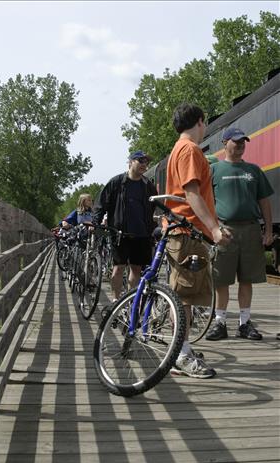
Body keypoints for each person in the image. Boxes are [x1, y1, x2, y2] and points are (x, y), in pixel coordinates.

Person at [164, 103, 232, 379]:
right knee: (183, 299)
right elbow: (193, 194)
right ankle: (180, 355)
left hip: (186, 231)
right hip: (187, 232)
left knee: (185, 297)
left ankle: (183, 347)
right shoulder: (190, 150)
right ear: (201, 122)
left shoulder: (178, 149)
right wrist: (214, 228)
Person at [205, 127, 274, 341]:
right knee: (221, 280)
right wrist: (213, 229)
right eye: (236, 141)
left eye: (243, 141)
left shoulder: (254, 170)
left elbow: (264, 202)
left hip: (251, 229)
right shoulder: (214, 171)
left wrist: (269, 230)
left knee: (247, 279)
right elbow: (207, 203)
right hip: (225, 229)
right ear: (225, 143)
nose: (241, 144)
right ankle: (220, 323)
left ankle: (245, 324)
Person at [92, 150, 158, 300]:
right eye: (140, 161)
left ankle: (130, 302)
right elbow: (101, 204)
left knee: (136, 269)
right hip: (120, 233)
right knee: (118, 269)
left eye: (147, 162)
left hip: (142, 234)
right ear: (130, 162)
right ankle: (116, 300)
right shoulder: (116, 182)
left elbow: (153, 205)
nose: (144, 165)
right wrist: (96, 224)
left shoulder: (148, 186)